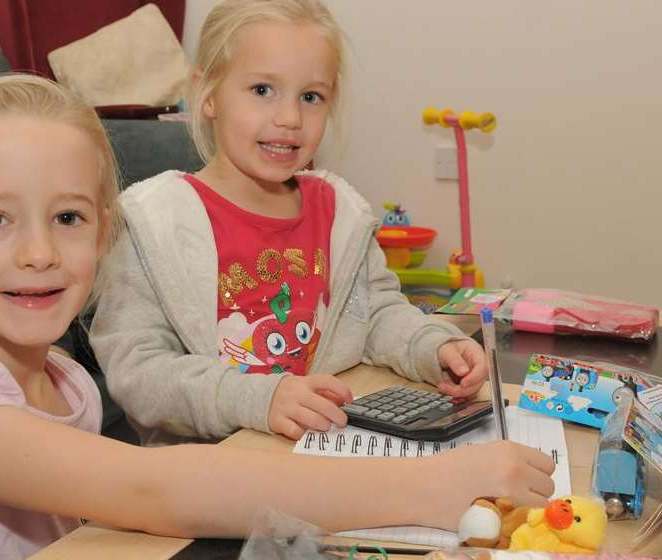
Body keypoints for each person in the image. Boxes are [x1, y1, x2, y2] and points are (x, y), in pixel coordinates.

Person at [0, 74, 554, 560]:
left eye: (67, 217)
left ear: (102, 234)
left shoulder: (62, 375)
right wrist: (435, 485)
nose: (38, 253)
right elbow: (148, 491)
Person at [89, 0, 517, 445]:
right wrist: (255, 398)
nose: (290, 118)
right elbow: (137, 371)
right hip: (210, 473)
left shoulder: (340, 215)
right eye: (262, 90)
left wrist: (434, 346)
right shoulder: (152, 222)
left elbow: (377, 315)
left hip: (329, 448)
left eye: (311, 97)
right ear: (208, 93)